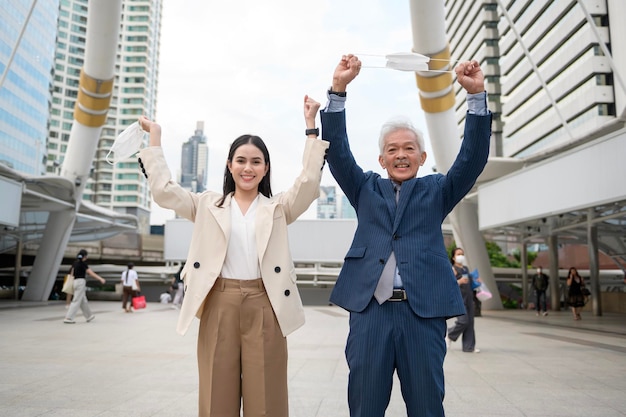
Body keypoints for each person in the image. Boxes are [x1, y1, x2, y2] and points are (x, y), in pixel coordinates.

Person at [136, 95, 329, 417]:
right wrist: (155, 137)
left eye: (256, 161)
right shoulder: (207, 204)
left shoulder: (278, 208)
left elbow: (308, 183)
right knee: (216, 396)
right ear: (229, 165)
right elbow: (164, 191)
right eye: (241, 160)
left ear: (266, 168)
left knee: (266, 399)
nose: (248, 168)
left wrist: (311, 128)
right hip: (219, 303)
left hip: (265, 303)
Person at [320, 54, 491, 417]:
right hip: (371, 314)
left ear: (422, 156)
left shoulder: (438, 190)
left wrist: (476, 97)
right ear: (381, 160)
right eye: (392, 150)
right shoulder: (364, 188)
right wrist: (338, 91)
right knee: (364, 406)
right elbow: (337, 154)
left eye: (408, 148)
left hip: (422, 313)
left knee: (427, 407)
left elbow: (472, 159)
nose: (401, 155)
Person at [446, 248, 480, 353]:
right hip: (459, 298)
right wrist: (459, 281)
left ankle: (469, 346)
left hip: (469, 297)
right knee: (463, 321)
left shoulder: (466, 268)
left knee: (470, 323)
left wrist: (476, 281)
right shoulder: (452, 269)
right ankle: (450, 335)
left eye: (462, 254)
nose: (461, 256)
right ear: (453, 257)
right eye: (458, 254)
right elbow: (448, 284)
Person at [63, 249, 106, 324]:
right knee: (76, 300)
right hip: (80, 282)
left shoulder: (75, 263)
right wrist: (100, 279)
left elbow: (71, 273)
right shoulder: (83, 264)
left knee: (83, 300)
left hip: (74, 281)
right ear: (85, 256)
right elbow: (91, 273)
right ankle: (69, 317)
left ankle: (89, 316)